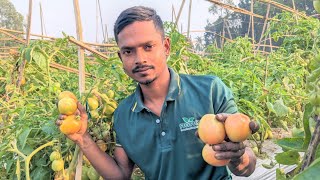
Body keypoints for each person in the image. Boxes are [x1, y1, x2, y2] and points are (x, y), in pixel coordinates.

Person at [57, 6, 259, 180]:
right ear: (120, 57)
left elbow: (246, 168)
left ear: (166, 46)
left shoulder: (210, 91)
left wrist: (238, 156)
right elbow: (120, 174)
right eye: (128, 51)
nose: (139, 59)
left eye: (148, 47)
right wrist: (83, 138)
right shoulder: (123, 115)